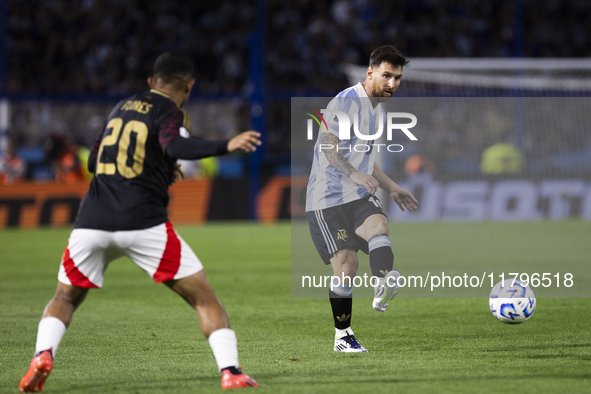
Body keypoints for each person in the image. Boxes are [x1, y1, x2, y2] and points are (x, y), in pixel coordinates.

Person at [19, 52, 261, 392]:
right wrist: (225, 145)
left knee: (64, 297)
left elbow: (96, 160)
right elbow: (174, 143)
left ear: (151, 82)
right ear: (188, 86)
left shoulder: (121, 108)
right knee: (203, 298)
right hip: (143, 223)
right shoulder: (169, 112)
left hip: (92, 222)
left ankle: (43, 354)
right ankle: (231, 371)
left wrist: (158, 164)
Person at [306, 45, 419, 352]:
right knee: (347, 265)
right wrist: (355, 175)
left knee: (379, 224)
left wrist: (392, 186)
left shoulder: (375, 109)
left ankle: (383, 279)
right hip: (326, 198)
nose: (392, 84)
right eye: (386, 76)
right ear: (370, 73)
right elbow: (329, 147)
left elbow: (366, 159)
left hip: (355, 195)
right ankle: (342, 337)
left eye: (397, 77)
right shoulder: (346, 101)